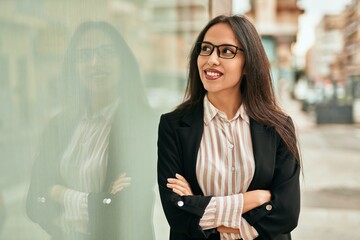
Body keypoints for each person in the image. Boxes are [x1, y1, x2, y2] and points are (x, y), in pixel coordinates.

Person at [157, 15, 301, 240]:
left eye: (226, 51)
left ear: (248, 64)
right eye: (205, 49)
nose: (211, 59)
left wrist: (198, 207)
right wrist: (251, 200)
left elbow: (286, 214)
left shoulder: (278, 127)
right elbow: (176, 213)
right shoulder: (173, 125)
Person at [26, 21, 156, 240]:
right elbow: (33, 203)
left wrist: (57, 192)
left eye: (106, 52)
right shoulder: (58, 126)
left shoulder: (145, 126)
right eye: (84, 55)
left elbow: (124, 211)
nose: (95, 62)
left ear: (122, 60)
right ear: (74, 66)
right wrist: (99, 200)